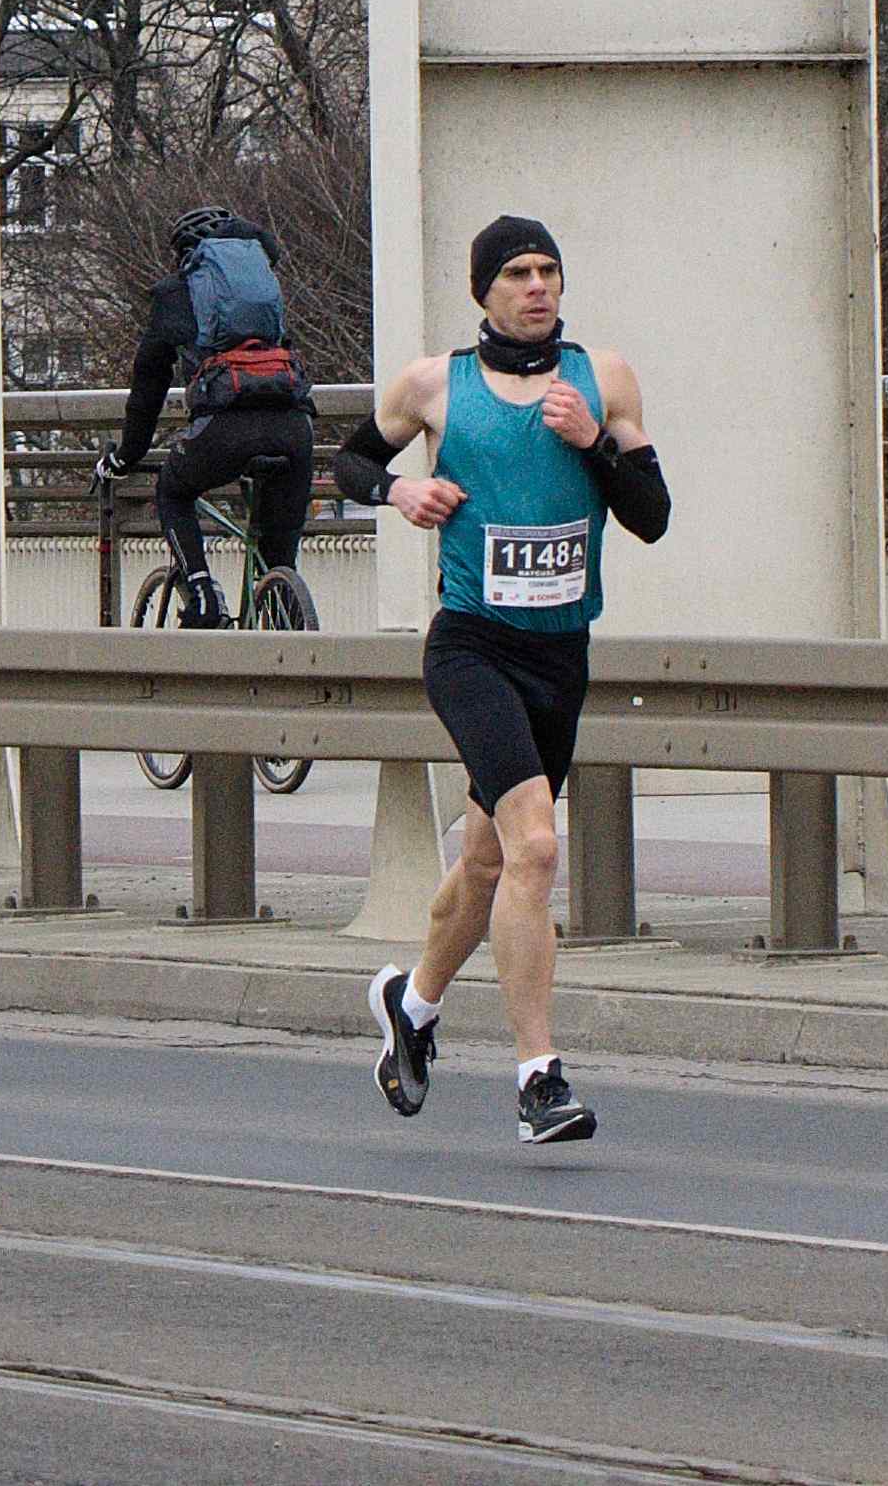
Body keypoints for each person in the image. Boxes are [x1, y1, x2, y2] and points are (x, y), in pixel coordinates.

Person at [343, 215, 667, 1150]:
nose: (537, 287)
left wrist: (599, 443)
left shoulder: (601, 381)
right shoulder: (432, 386)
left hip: (561, 654)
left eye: (549, 272)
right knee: (534, 849)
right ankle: (539, 1079)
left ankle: (413, 1002)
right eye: (518, 273)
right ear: (483, 291)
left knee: (488, 861)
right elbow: (354, 459)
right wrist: (400, 492)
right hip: (472, 647)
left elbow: (652, 518)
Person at [110, 203, 314, 626]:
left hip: (224, 431)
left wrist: (125, 456)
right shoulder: (264, 289)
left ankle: (202, 591)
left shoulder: (175, 293)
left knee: (173, 491)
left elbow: (147, 392)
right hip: (295, 428)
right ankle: (285, 605)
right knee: (278, 556)